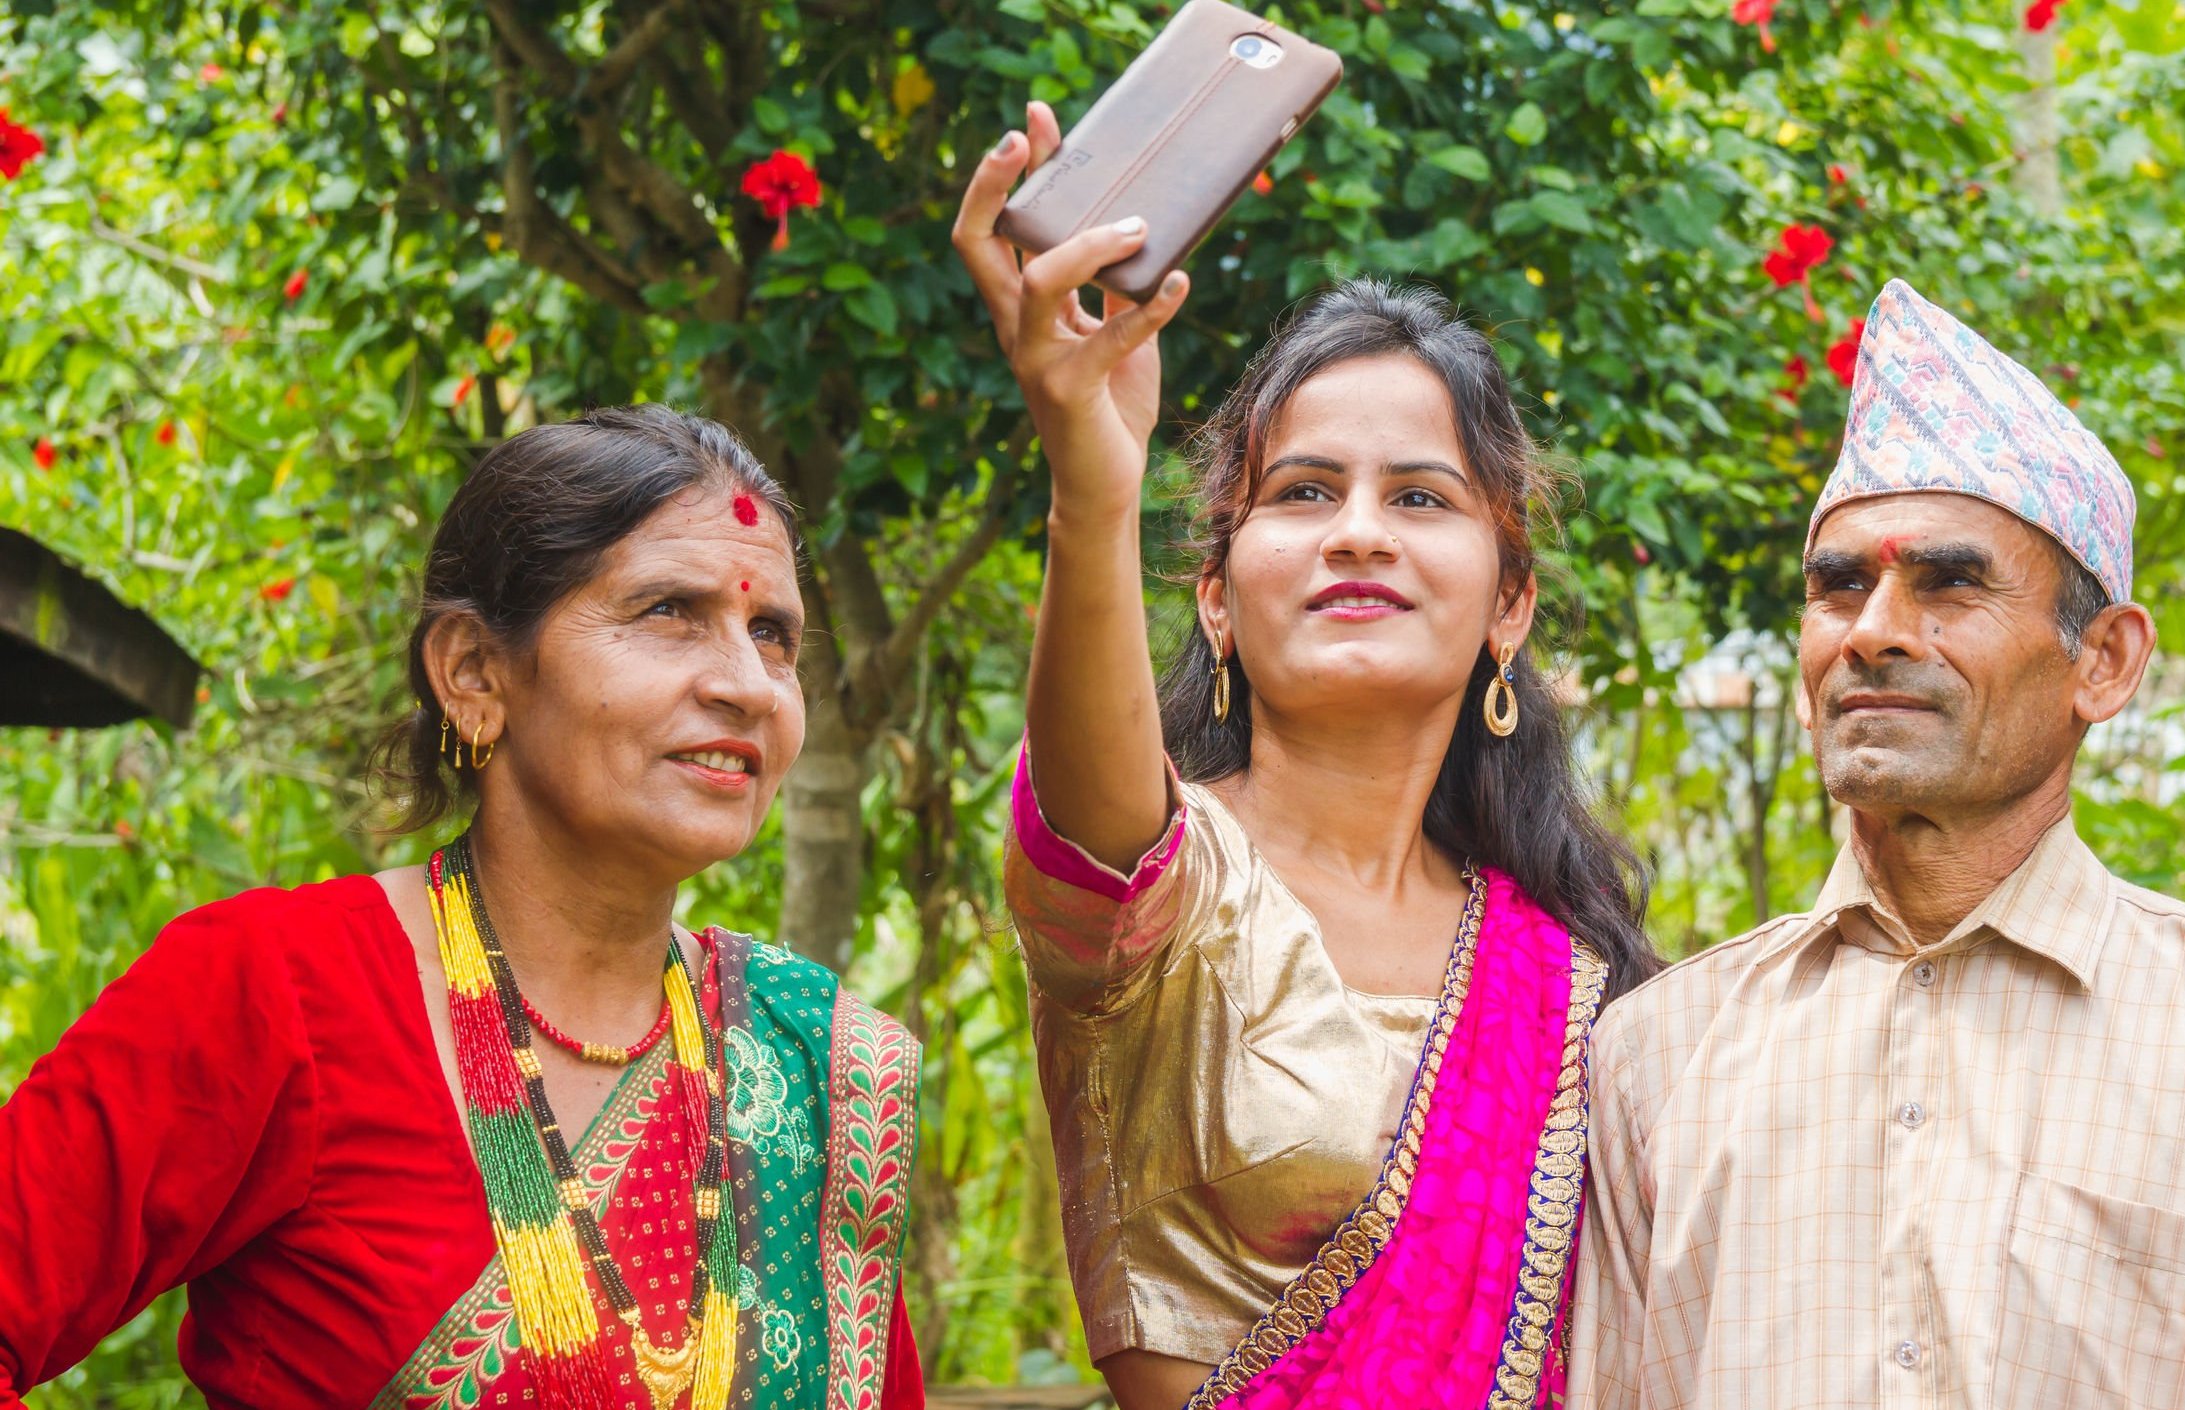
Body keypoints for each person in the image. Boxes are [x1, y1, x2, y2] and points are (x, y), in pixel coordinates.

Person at [1568, 280, 2185, 1409]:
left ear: (2104, 662)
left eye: (1948, 584)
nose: (1872, 633)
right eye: (1839, 589)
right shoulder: (1657, 1056)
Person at [951, 104, 1662, 1410]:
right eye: (1302, 491)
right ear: (1217, 597)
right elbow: (1089, 810)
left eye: (1420, 497)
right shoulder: (1160, 889)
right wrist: (1091, 478)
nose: (1358, 533)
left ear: (1510, 603)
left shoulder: (1572, 982)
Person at [0, 406, 924, 1410]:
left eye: (773, 635)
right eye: (669, 611)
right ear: (473, 673)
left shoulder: (804, 1059)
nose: (749, 685)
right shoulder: (276, 991)